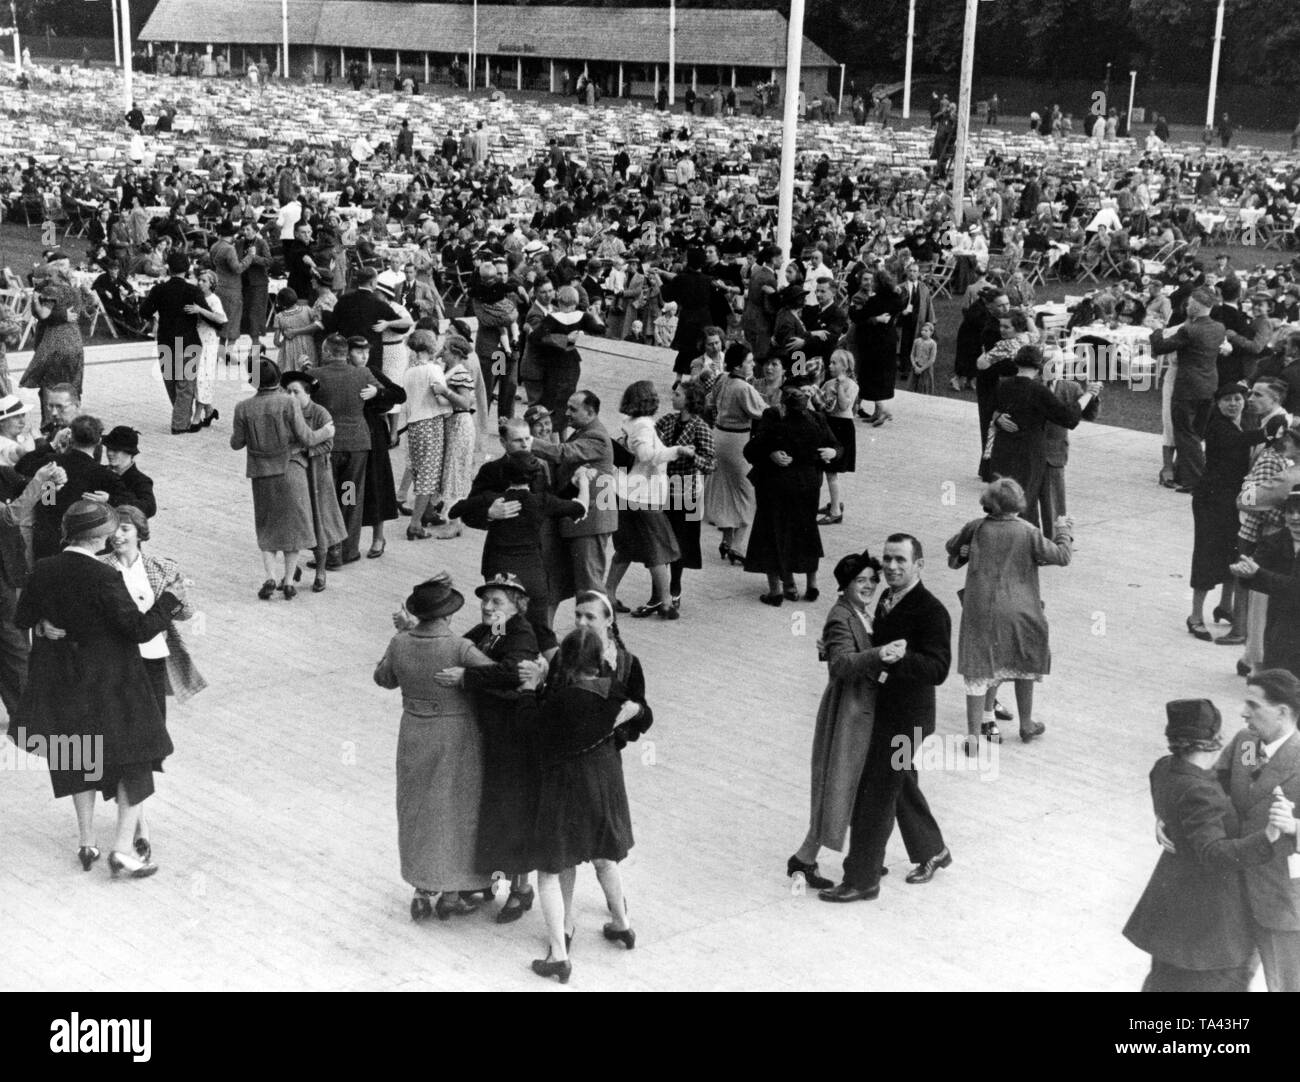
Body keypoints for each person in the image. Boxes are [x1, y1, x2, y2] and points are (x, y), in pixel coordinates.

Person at [12, 501, 187, 878]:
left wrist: (44, 623)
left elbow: (20, 617)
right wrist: (171, 599)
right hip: (113, 684)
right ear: (98, 536)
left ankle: (87, 840)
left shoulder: (43, 568)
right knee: (137, 757)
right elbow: (138, 630)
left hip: (64, 681)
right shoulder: (104, 577)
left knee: (78, 754)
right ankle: (123, 850)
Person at [518, 594, 654, 982]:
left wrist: (531, 690)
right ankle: (622, 924)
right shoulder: (613, 688)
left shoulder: (560, 697)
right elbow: (640, 712)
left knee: (553, 865)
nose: (580, 620)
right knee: (603, 856)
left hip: (564, 783)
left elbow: (531, 730)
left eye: (587, 615)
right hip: (605, 777)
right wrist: (632, 713)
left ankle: (559, 951)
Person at [1123, 698, 1289, 992]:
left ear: (1283, 711)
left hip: (1279, 893)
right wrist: (1171, 818)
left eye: (1254, 703)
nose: (1244, 712)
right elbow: (1232, 779)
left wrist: (1294, 827)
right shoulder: (1248, 744)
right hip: (1219, 908)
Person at [821, 534, 953, 901]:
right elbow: (875, 642)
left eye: (901, 560)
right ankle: (932, 850)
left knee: (877, 793)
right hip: (885, 712)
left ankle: (862, 879)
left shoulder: (931, 610)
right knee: (898, 784)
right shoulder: (887, 599)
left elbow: (939, 668)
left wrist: (899, 660)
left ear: (919, 566)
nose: (892, 567)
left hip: (906, 724)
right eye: (888, 559)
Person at [375, 574, 496, 922]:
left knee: (418, 810)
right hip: (456, 735)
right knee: (455, 810)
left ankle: (421, 889)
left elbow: (383, 679)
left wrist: (401, 635)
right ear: (447, 614)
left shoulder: (401, 642)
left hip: (413, 731)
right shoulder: (458, 647)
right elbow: (496, 677)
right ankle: (452, 893)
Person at [435, 574, 552, 922]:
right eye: (485, 600)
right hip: (492, 734)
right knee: (493, 811)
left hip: (514, 738)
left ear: (517, 604)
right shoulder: (494, 629)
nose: (488, 607)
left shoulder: (520, 632)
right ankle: (491, 881)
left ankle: (521, 890)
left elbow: (513, 671)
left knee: (513, 812)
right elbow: (459, 645)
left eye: (496, 601)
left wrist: (466, 677)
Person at [947, 478, 1073, 751]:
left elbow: (952, 548)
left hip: (980, 610)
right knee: (1024, 662)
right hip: (1021, 608)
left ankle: (972, 737)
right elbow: (1062, 556)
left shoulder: (976, 527)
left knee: (979, 669)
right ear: (1018, 503)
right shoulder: (1027, 531)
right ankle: (1026, 723)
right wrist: (1064, 530)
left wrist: (966, 551)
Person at [787, 550, 885, 890]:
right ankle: (808, 858)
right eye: (861, 580)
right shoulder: (841, 616)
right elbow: (841, 663)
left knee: (846, 783)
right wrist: (879, 655)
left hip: (857, 708)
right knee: (839, 782)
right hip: (849, 710)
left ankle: (819, 857)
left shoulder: (858, 613)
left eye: (873, 579)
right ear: (845, 585)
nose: (869, 585)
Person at [451, 451, 592, 635]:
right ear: (534, 476)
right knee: (540, 631)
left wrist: (489, 512)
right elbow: (580, 508)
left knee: (498, 630)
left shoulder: (494, 499)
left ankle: (497, 656)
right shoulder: (541, 501)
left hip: (499, 572)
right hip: (532, 572)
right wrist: (583, 483)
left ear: (505, 475)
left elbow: (454, 511)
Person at [229, 359, 335, 600]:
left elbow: (236, 443)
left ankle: (270, 577)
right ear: (278, 379)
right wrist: (325, 433)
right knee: (293, 528)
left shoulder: (243, 407)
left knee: (267, 527)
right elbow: (307, 438)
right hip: (291, 470)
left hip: (261, 475)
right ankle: (288, 582)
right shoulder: (288, 403)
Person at [1187, 386, 1283, 640]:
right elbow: (1236, 442)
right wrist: (1266, 433)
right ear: (1217, 403)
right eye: (1227, 400)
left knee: (1232, 549)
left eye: (1238, 399)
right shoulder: (1218, 426)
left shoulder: (1240, 422)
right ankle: (1195, 616)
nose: (1234, 404)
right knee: (1206, 554)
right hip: (1211, 499)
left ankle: (1225, 606)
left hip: (1231, 499)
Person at [743, 383, 839, 605]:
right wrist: (831, 452)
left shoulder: (777, 425)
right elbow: (835, 447)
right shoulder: (817, 422)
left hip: (776, 485)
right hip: (808, 486)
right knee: (806, 532)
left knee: (771, 533)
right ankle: (811, 585)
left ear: (784, 406)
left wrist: (770, 454)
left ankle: (777, 590)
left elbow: (750, 450)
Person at [984, 345, 1100, 527]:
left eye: (1058, 363)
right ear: (1039, 366)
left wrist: (998, 418)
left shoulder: (1003, 385)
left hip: (1013, 452)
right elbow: (1068, 417)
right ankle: (1026, 543)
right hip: (1029, 456)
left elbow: (990, 408)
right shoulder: (1037, 390)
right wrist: (1088, 395)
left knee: (1010, 501)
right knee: (1022, 503)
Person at [605, 380, 690, 620]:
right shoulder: (643, 425)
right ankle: (664, 601)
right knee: (658, 549)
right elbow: (646, 455)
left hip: (626, 491)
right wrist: (677, 451)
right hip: (643, 495)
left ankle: (609, 592)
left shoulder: (630, 423)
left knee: (626, 547)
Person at [529, 390, 619, 602]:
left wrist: (526, 441)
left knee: (590, 585)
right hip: (582, 521)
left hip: (591, 521)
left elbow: (563, 453)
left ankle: (605, 630)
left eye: (573, 409)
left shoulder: (595, 436)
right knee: (583, 583)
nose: (567, 412)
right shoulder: (582, 431)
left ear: (590, 412)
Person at [309, 333, 379, 568]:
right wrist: (376, 393)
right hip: (357, 446)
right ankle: (348, 549)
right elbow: (385, 394)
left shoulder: (315, 376)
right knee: (349, 496)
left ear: (328, 352)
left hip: (329, 447)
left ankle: (329, 550)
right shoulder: (362, 374)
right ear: (346, 352)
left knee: (327, 498)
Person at [1149, 289, 1227, 491]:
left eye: (1190, 303)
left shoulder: (1189, 329)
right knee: (1196, 432)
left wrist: (1157, 329)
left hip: (1187, 386)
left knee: (1185, 432)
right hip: (1209, 384)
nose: (1187, 306)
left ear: (1196, 306)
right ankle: (1186, 474)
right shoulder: (1219, 328)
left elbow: (1160, 347)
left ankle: (1197, 480)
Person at [653, 381, 716, 614]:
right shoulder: (668, 420)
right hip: (663, 486)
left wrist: (692, 458)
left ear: (689, 400)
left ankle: (675, 586)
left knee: (680, 541)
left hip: (686, 489)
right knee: (661, 539)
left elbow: (711, 463)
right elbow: (652, 436)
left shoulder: (700, 427)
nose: (673, 396)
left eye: (677, 394)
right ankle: (659, 590)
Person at [704, 344, 766, 564]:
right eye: (749, 361)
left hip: (718, 436)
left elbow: (710, 402)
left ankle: (727, 540)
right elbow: (763, 412)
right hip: (737, 440)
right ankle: (738, 545)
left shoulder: (722, 379)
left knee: (727, 490)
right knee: (748, 493)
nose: (752, 365)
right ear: (739, 365)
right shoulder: (744, 388)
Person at [1231, 484, 1300, 678]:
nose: (1295, 518)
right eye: (1290, 512)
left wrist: (1257, 574)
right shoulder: (1275, 540)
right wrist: (1245, 574)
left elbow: (1295, 588)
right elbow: (1255, 574)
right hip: (1278, 627)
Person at [139, 252, 208, 435]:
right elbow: (206, 313)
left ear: (168, 268)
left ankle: (181, 417)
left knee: (171, 381)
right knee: (186, 384)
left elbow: (144, 311)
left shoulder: (159, 289)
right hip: (189, 340)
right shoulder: (193, 290)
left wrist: (157, 314)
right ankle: (180, 422)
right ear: (188, 269)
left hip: (167, 340)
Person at [349, 335, 405, 560]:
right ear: (347, 353)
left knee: (377, 485)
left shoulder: (371, 372)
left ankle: (378, 537)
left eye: (367, 352)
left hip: (374, 435)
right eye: (358, 351)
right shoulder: (343, 372)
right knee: (349, 488)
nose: (363, 356)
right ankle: (348, 539)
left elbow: (399, 394)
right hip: (353, 437)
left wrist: (378, 393)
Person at [22, 254, 86, 426]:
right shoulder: (49, 287)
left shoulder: (58, 289)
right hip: (67, 339)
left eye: (66, 265)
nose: (47, 278)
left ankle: (57, 425)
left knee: (56, 382)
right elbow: (43, 313)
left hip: (58, 341)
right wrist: (62, 315)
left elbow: (43, 313)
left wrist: (40, 304)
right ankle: (60, 423)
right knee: (59, 382)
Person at [850, 269, 906, 426]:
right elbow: (902, 303)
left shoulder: (875, 301)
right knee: (881, 376)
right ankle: (878, 412)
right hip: (889, 340)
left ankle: (882, 410)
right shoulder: (895, 298)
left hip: (874, 342)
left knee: (872, 376)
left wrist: (852, 309)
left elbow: (858, 316)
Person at [815, 349, 858, 525]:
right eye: (830, 362)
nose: (830, 365)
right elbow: (823, 405)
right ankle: (834, 502)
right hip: (829, 425)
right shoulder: (827, 383)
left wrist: (839, 387)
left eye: (834, 363)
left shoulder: (851, 385)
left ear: (845, 366)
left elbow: (843, 405)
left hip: (842, 428)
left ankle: (835, 511)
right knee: (828, 470)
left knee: (832, 471)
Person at [189, 268, 227, 428]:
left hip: (208, 339)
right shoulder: (195, 297)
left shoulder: (214, 299)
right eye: (199, 280)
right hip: (195, 338)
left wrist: (200, 310)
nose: (200, 283)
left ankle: (197, 417)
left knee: (203, 376)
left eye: (204, 281)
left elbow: (220, 318)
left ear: (212, 284)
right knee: (197, 375)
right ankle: (209, 410)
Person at [102, 426, 156, 519]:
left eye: (116, 450)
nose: (109, 453)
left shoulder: (141, 481)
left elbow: (149, 508)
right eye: (108, 448)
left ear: (129, 452)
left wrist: (110, 499)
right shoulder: (100, 472)